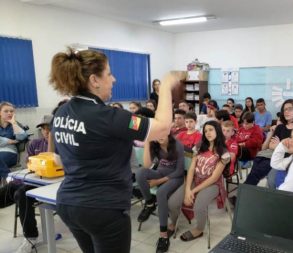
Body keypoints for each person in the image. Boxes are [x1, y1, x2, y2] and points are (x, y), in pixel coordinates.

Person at [49, 48, 177, 253]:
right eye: (109, 74)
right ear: (94, 80)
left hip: (68, 203)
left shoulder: (61, 112)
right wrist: (166, 87)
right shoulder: (110, 116)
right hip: (103, 209)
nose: (114, 79)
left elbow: (58, 160)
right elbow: (162, 127)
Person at [167, 121, 230, 242]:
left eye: (211, 130)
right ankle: (173, 223)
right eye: (205, 131)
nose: (208, 133)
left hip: (212, 184)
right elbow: (191, 169)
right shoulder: (199, 146)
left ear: (217, 130)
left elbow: (214, 178)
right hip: (196, 179)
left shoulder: (224, 153)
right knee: (172, 202)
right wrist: (187, 190)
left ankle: (199, 229)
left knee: (199, 206)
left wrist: (193, 191)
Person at [0, 115, 51, 253]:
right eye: (44, 128)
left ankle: (31, 237)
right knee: (9, 189)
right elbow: (28, 164)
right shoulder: (35, 144)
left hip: (47, 184)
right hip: (31, 178)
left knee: (22, 194)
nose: (46, 131)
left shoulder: (60, 145)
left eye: (49, 128)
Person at [135, 134, 184, 253]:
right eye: (156, 134)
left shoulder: (177, 144)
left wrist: (158, 181)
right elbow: (146, 165)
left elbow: (179, 171)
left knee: (161, 192)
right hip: (161, 172)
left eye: (162, 132)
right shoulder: (155, 145)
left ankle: (163, 236)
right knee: (140, 172)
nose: (160, 136)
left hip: (175, 177)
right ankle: (150, 203)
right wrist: (147, 143)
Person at [244, 99, 293, 188]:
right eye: (285, 109)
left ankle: (244, 193)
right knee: (255, 170)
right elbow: (271, 145)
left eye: (290, 109)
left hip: (287, 160)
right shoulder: (280, 127)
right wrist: (283, 145)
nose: (286, 112)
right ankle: (245, 192)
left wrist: (279, 145)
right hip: (273, 156)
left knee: (261, 175)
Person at [0, 102, 28, 182]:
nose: (9, 113)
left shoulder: (16, 124)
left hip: (10, 153)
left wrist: (13, 123)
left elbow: (21, 137)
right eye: (6, 111)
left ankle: (10, 180)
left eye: (11, 111)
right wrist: (8, 140)